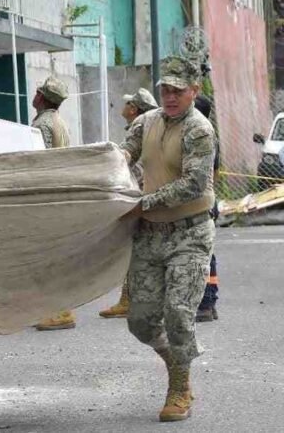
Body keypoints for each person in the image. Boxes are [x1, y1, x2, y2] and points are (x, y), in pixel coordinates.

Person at [121, 56, 216, 422]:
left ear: (195, 91)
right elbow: (122, 155)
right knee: (141, 321)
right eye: (166, 89)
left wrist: (145, 202)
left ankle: (180, 385)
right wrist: (117, 170)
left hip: (189, 233)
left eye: (179, 90)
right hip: (149, 234)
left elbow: (193, 184)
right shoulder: (146, 122)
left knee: (178, 313)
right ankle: (176, 359)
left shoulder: (199, 130)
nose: (171, 96)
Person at [100, 87, 159, 319]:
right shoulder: (151, 126)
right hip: (145, 194)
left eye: (127, 104)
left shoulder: (139, 127)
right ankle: (130, 299)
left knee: (137, 249)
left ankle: (131, 300)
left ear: (134, 108)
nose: (123, 107)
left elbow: (130, 164)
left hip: (140, 195)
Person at [31, 75, 76, 331]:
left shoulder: (44, 125)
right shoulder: (59, 122)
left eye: (38, 91)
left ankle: (60, 311)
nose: (34, 95)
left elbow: (42, 163)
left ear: (43, 97)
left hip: (49, 198)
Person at [193, 94, 220, 322]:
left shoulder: (202, 134)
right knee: (206, 253)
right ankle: (208, 302)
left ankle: (207, 302)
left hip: (202, 201)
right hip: (209, 198)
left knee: (205, 254)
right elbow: (217, 173)